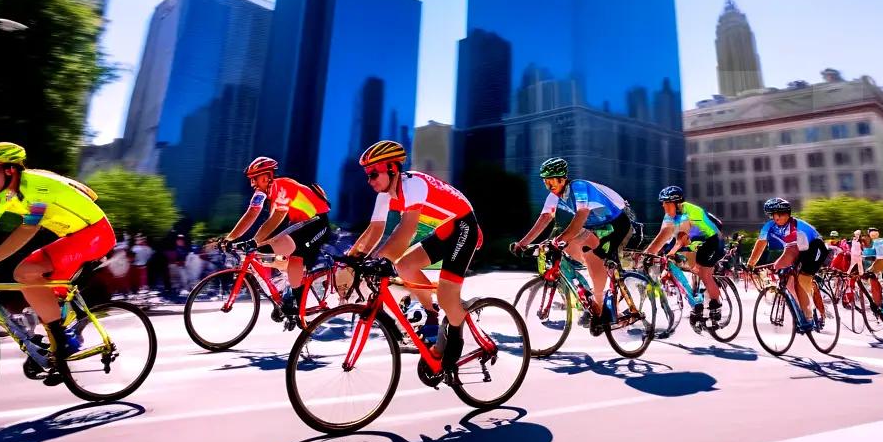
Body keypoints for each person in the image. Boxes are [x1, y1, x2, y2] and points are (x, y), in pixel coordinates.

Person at [0, 142, 116, 377]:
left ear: (9, 170)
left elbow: (28, 229)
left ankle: (62, 341)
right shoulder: (2, 196)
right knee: (35, 286)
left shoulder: (37, 187)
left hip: (95, 234)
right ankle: (58, 346)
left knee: (26, 272)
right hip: (73, 237)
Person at [349, 140, 481, 371]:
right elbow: (374, 230)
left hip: (464, 226)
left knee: (446, 294)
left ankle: (454, 343)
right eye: (367, 175)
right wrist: (352, 259)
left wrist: (382, 260)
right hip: (445, 229)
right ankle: (431, 313)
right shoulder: (384, 195)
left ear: (392, 168)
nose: (369, 181)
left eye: (373, 174)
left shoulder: (413, 185)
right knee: (405, 265)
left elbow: (407, 229)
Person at [510, 158, 632, 336]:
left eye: (552, 181)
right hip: (596, 225)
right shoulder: (554, 196)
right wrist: (522, 244)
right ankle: (593, 299)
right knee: (573, 247)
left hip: (617, 222)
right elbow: (545, 218)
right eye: (546, 181)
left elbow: (581, 215)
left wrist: (560, 238)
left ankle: (604, 308)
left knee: (596, 257)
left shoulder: (579, 187)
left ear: (563, 179)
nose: (549, 185)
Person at [220, 157, 332, 318]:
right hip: (300, 225)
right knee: (265, 248)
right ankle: (286, 290)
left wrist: (254, 241)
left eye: (254, 179)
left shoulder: (283, 186)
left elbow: (276, 218)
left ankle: (297, 307)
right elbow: (251, 214)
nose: (252, 184)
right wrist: (230, 239)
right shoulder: (262, 192)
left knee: (292, 254)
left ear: (266, 176)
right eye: (251, 180)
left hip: (317, 223)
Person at [640, 186, 723, 333]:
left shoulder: (687, 213)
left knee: (704, 273)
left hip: (712, 240)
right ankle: (697, 302)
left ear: (677, 203)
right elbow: (662, 237)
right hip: (695, 242)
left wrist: (670, 253)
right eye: (662, 203)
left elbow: (682, 239)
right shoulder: (669, 217)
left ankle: (716, 307)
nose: (663, 205)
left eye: (666, 202)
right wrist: (646, 255)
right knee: (688, 266)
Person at [745, 198, 828, 330]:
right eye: (774, 214)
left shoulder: (794, 226)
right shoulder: (769, 226)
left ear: (788, 214)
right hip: (799, 249)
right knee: (789, 284)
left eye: (782, 213)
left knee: (802, 279)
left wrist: (777, 266)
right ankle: (804, 312)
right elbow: (761, 243)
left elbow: (791, 252)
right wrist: (751, 264)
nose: (778, 217)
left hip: (815, 246)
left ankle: (812, 312)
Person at [862, 227, 883, 311]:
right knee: (881, 281)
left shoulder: (877, 242)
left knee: (872, 278)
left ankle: (880, 303)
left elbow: (873, 255)